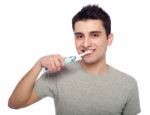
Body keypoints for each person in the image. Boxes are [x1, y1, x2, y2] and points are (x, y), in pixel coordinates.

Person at [8, 5, 141, 115]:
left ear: (109, 39)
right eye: (79, 36)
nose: (85, 43)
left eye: (94, 35)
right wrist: (38, 64)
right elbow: (15, 103)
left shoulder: (128, 84)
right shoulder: (58, 73)